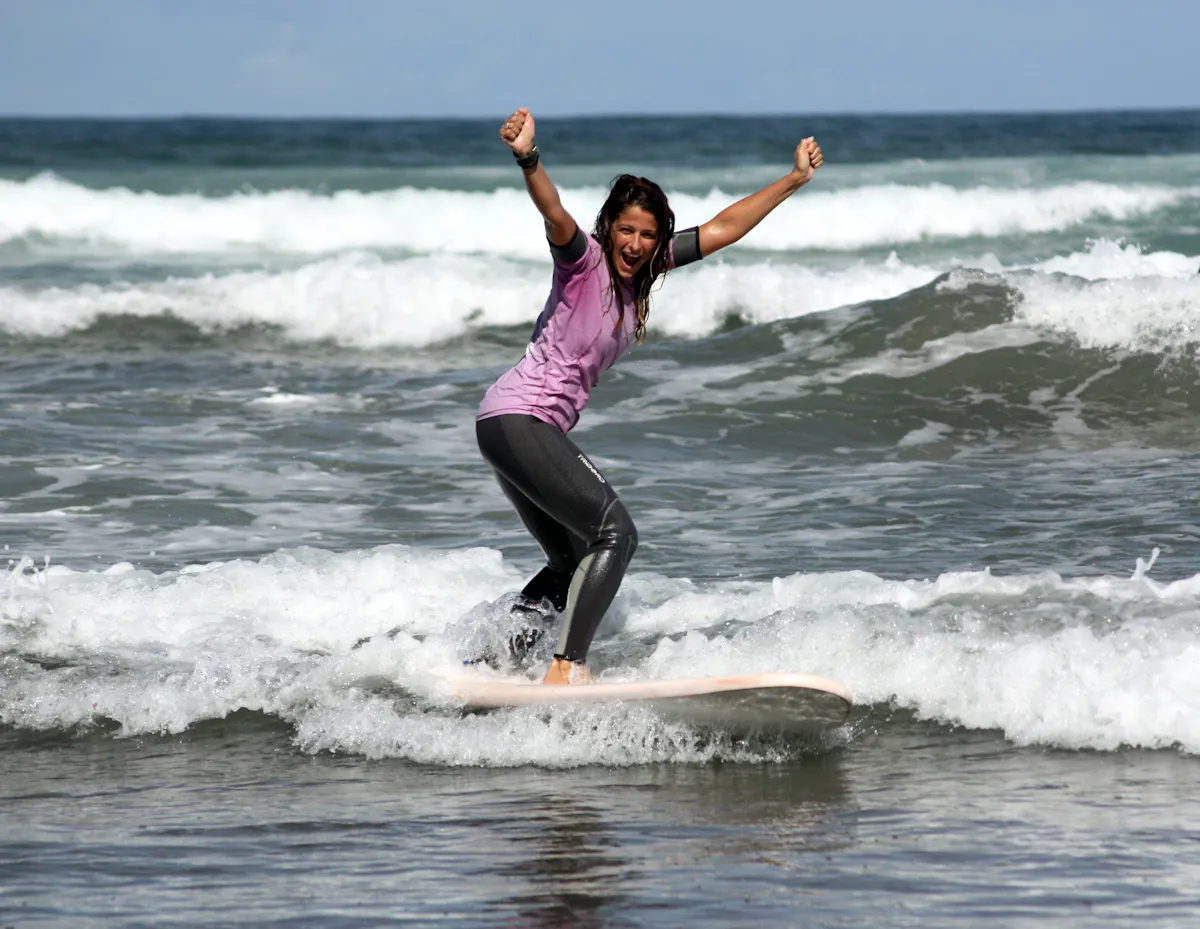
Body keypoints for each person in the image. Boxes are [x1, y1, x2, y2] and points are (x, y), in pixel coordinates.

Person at [476, 107, 823, 685]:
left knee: (569, 561)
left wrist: (792, 180)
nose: (635, 244)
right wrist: (528, 158)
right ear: (608, 227)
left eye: (648, 234)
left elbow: (723, 228)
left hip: (511, 425)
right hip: (520, 418)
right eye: (626, 230)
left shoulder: (643, 276)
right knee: (617, 533)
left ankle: (496, 660)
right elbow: (554, 212)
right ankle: (568, 666)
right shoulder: (582, 261)